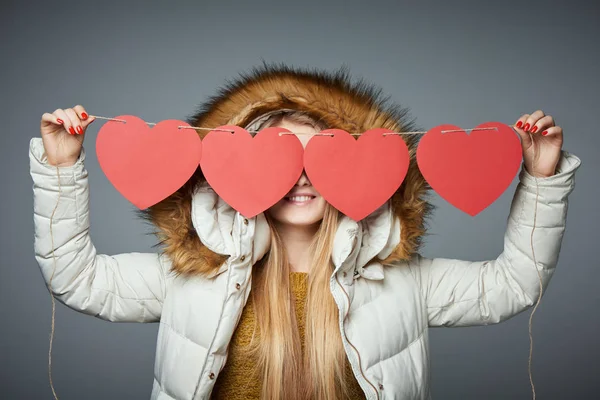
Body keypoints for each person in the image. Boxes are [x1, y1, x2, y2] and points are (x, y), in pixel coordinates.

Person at [30, 64, 581, 400]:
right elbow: (76, 278)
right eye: (280, 157)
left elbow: (515, 283)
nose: (301, 177)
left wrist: (540, 178)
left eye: (320, 156)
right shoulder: (193, 276)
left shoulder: (399, 280)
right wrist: (60, 167)